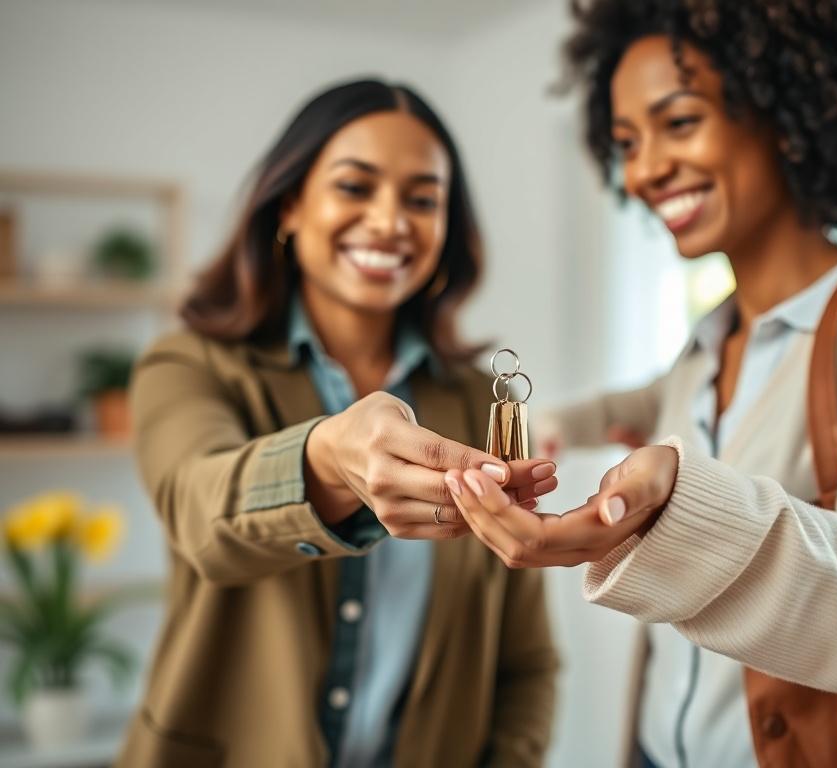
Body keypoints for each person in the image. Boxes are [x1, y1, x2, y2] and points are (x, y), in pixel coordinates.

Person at [445, 2, 837, 766]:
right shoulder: (709, 344)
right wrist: (537, 428)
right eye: (627, 143)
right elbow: (634, 407)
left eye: (678, 123)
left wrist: (685, 507)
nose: (646, 169)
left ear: (788, 112)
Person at [118, 79, 559, 768]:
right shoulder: (187, 365)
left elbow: (527, 657)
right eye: (356, 188)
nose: (390, 222)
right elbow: (197, 511)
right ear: (289, 204)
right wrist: (325, 458)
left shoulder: (481, 402)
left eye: (421, 199)